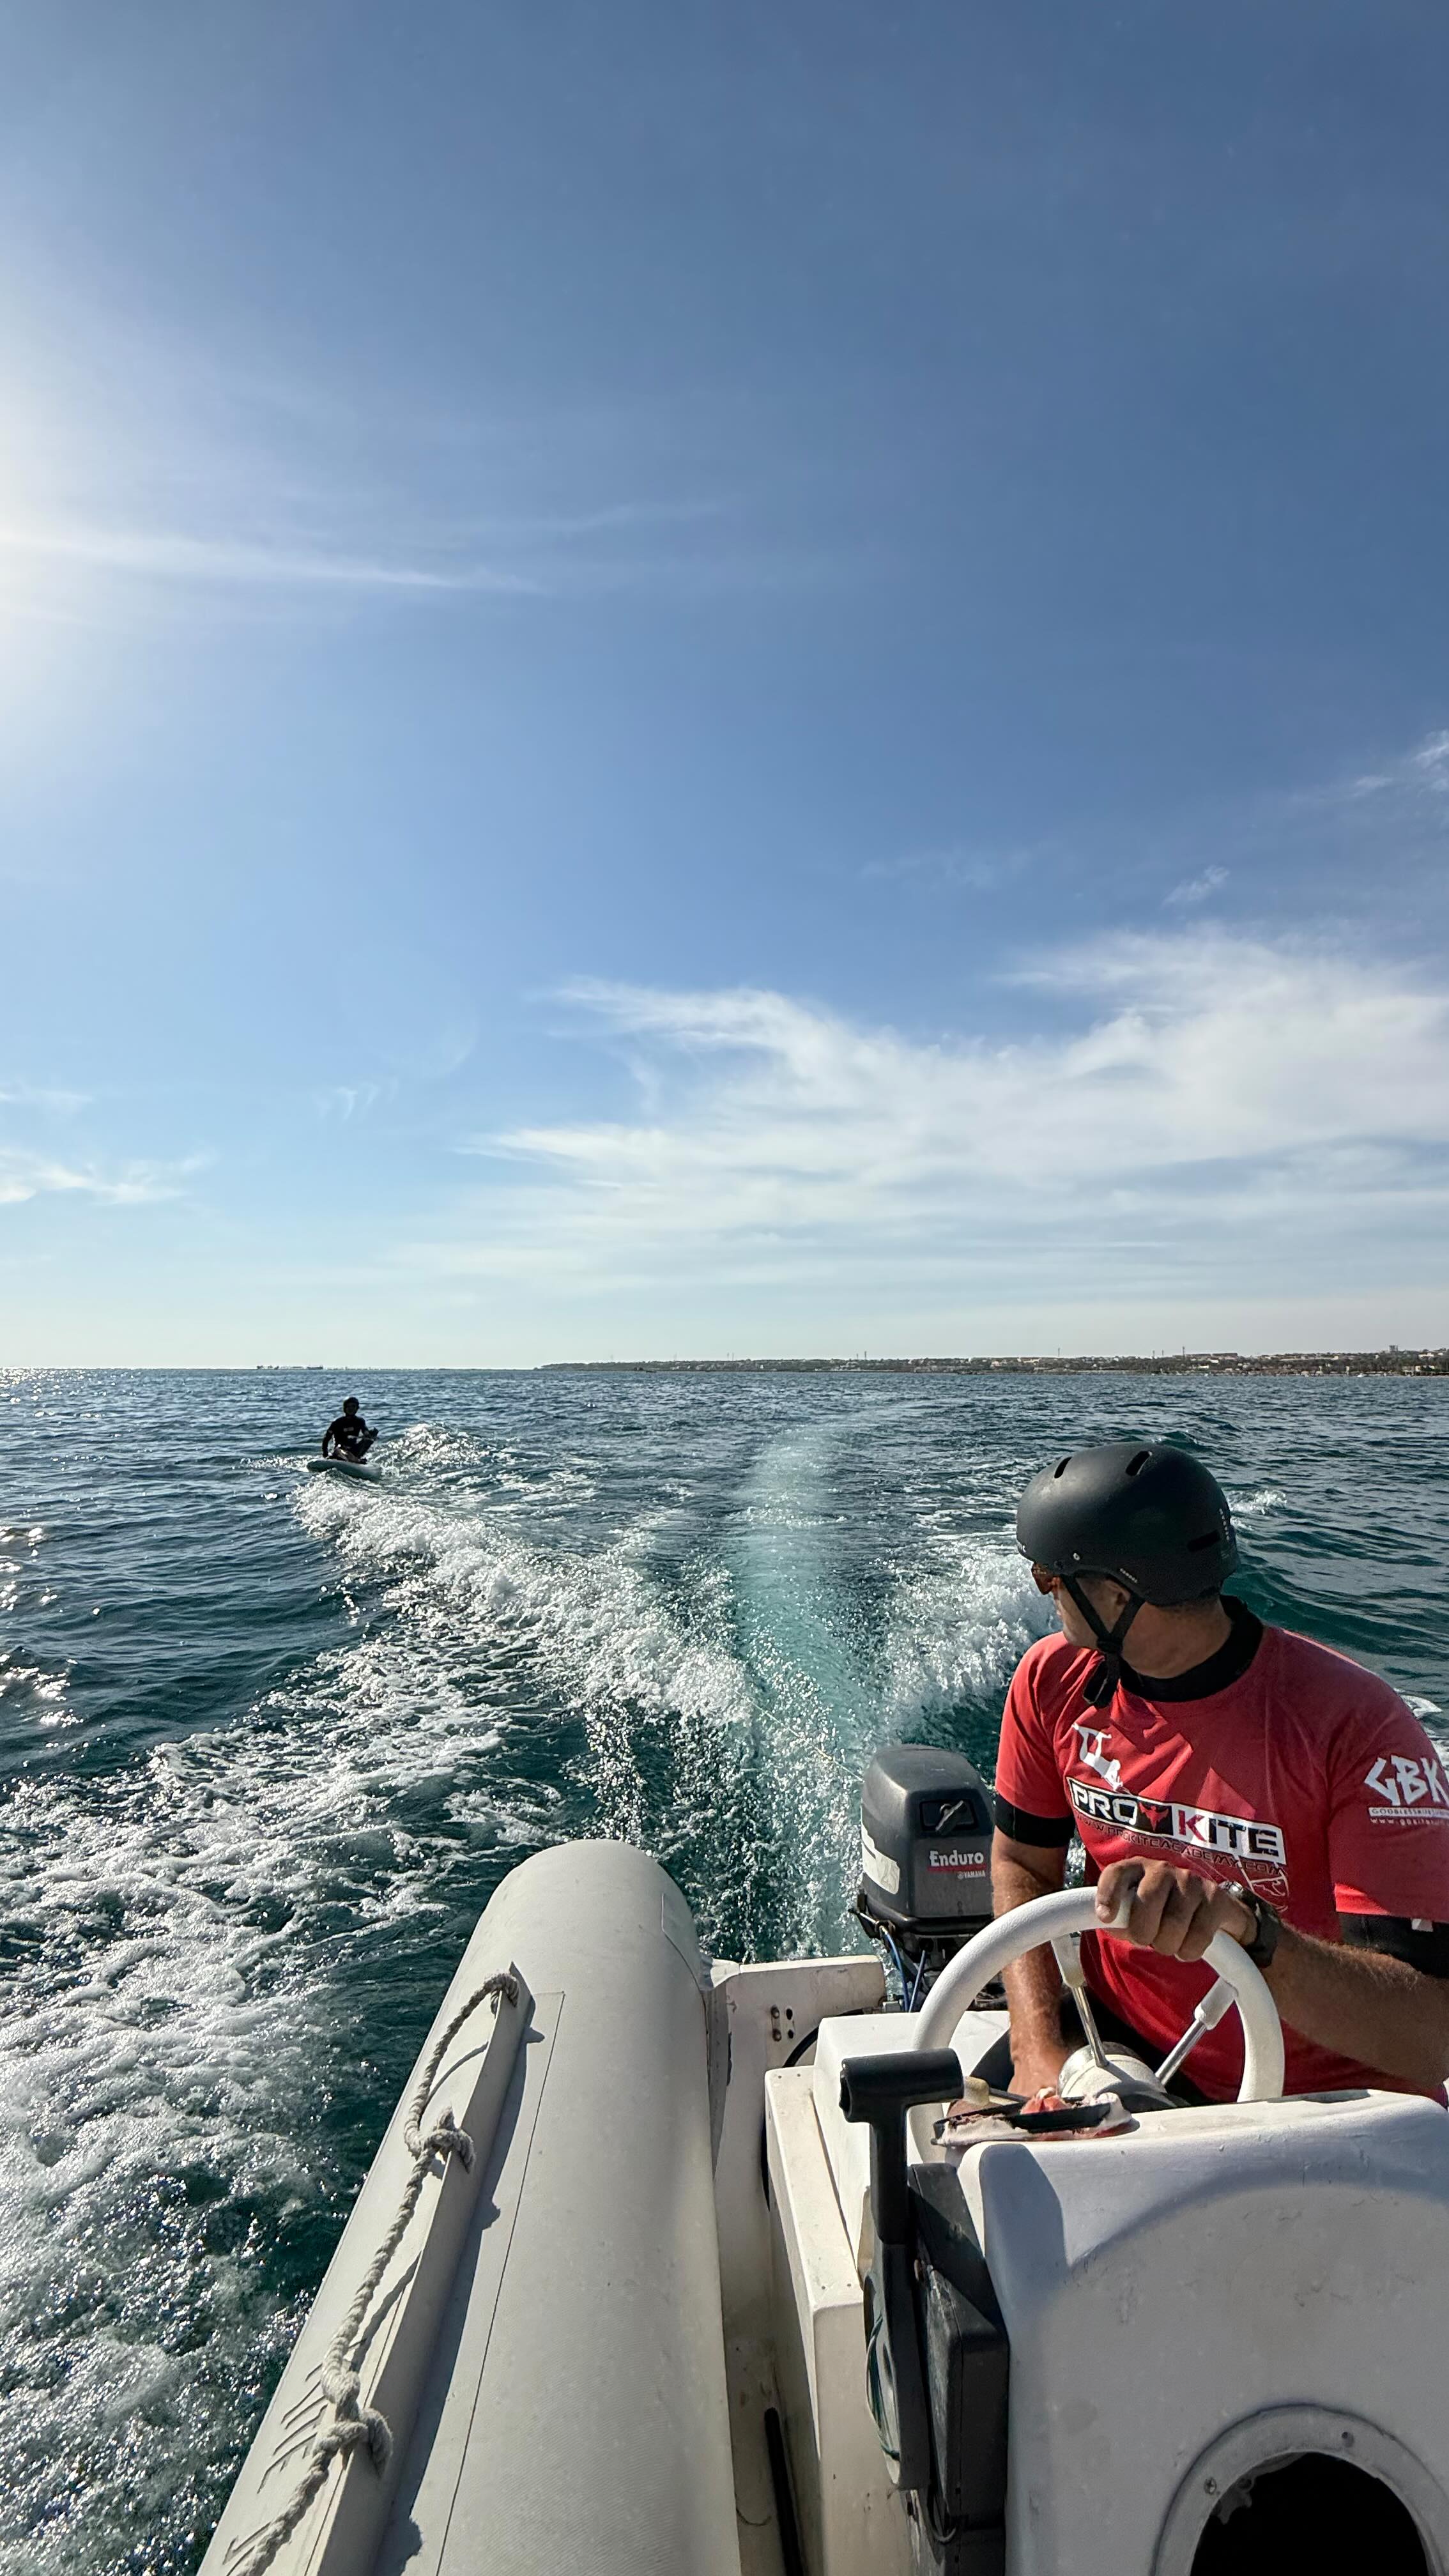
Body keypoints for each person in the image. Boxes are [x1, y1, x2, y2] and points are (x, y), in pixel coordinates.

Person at [992, 1439, 1449, 2104]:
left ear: (1120, 1595)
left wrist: (1253, 1935)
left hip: (1331, 2102)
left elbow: (1430, 2032)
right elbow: (1023, 1865)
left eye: (1053, 1577)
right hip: (1120, 2049)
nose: (1046, 1594)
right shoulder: (1053, 1681)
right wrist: (1037, 2047)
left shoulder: (1355, 1727)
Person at [321, 1397, 376, 1461]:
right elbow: (326, 1439)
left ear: (357, 1408)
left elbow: (365, 1430)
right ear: (345, 1408)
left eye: (353, 1406)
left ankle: (357, 1458)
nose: (351, 1409)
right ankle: (351, 1459)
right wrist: (325, 1454)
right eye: (348, 1406)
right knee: (341, 1449)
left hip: (354, 1449)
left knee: (373, 1432)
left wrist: (368, 1435)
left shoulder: (360, 1421)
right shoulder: (337, 1423)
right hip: (340, 1450)